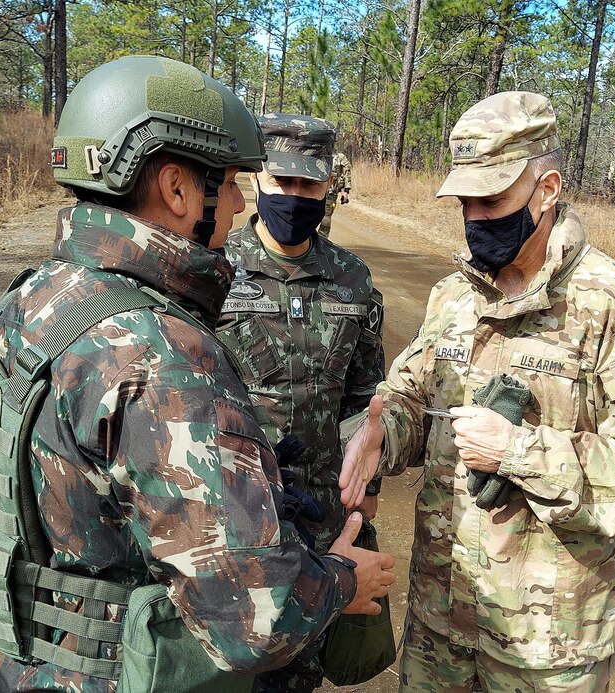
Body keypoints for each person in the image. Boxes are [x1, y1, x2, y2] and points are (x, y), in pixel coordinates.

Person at [0, 56, 394, 693]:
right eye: (234, 183)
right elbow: (256, 619)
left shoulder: (34, 298)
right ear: (178, 189)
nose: (244, 202)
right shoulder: (156, 354)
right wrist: (343, 577)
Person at [338, 91, 615, 692]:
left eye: (494, 200)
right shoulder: (455, 296)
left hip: (547, 646)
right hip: (443, 620)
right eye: (466, 203)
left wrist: (519, 452)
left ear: (547, 188)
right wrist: (384, 432)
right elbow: (414, 394)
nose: (477, 217)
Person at [216, 113, 385, 692]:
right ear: (258, 182)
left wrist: (367, 499)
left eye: (307, 186)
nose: (292, 197)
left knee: (299, 674)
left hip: (319, 521)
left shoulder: (351, 279)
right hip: (234, 517)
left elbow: (365, 400)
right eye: (280, 183)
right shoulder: (214, 267)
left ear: (327, 187)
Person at [318, 150, 352, 238]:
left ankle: (322, 241)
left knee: (326, 217)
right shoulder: (317, 152)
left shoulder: (340, 157)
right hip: (313, 191)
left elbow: (347, 173)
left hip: (330, 193)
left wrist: (346, 191)